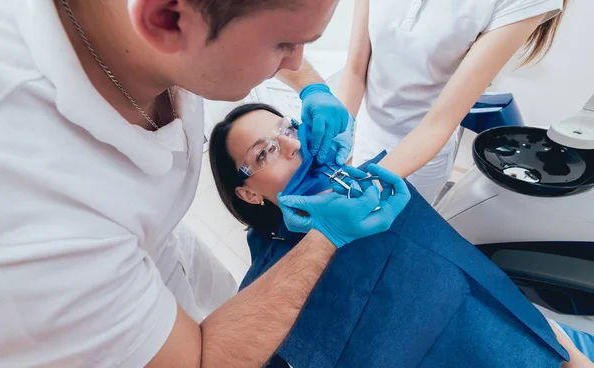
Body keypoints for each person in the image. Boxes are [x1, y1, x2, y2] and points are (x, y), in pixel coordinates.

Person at [0, 0, 410, 366]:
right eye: (284, 45)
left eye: (289, 128)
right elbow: (197, 360)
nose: (296, 61)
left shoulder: (123, 26)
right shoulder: (39, 212)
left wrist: (312, 86)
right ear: (165, 18)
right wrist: (325, 238)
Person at [208, 102, 594, 367]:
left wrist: (566, 353)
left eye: (289, 128)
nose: (293, 145)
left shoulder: (378, 193)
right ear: (247, 193)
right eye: (264, 153)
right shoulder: (266, 286)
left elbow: (487, 285)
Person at [280, 0, 583, 204]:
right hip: (365, 134)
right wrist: (339, 139)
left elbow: (438, 123)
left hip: (421, 156)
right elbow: (356, 69)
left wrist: (366, 185)